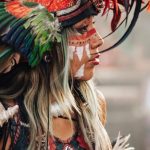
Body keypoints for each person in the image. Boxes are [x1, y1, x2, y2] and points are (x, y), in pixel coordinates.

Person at [0, 0, 149, 149]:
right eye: (83, 29)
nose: (99, 40)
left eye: (93, 25)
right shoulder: (7, 116)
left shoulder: (94, 105)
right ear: (48, 45)